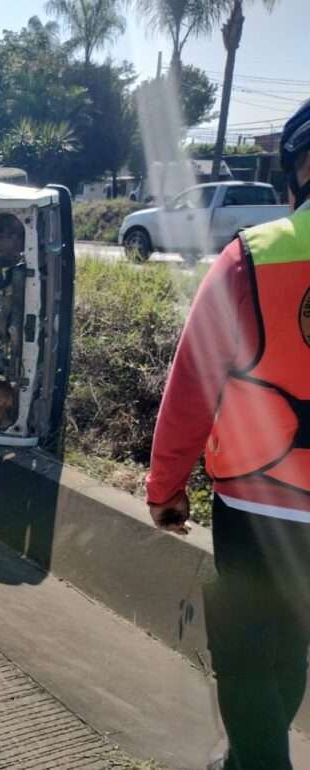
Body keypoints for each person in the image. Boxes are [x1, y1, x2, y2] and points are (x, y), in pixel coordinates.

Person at [147, 99, 310, 770]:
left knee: (245, 653)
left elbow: (192, 387)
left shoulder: (255, 256)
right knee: (292, 644)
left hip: (257, 501)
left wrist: (166, 487)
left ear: (298, 169)